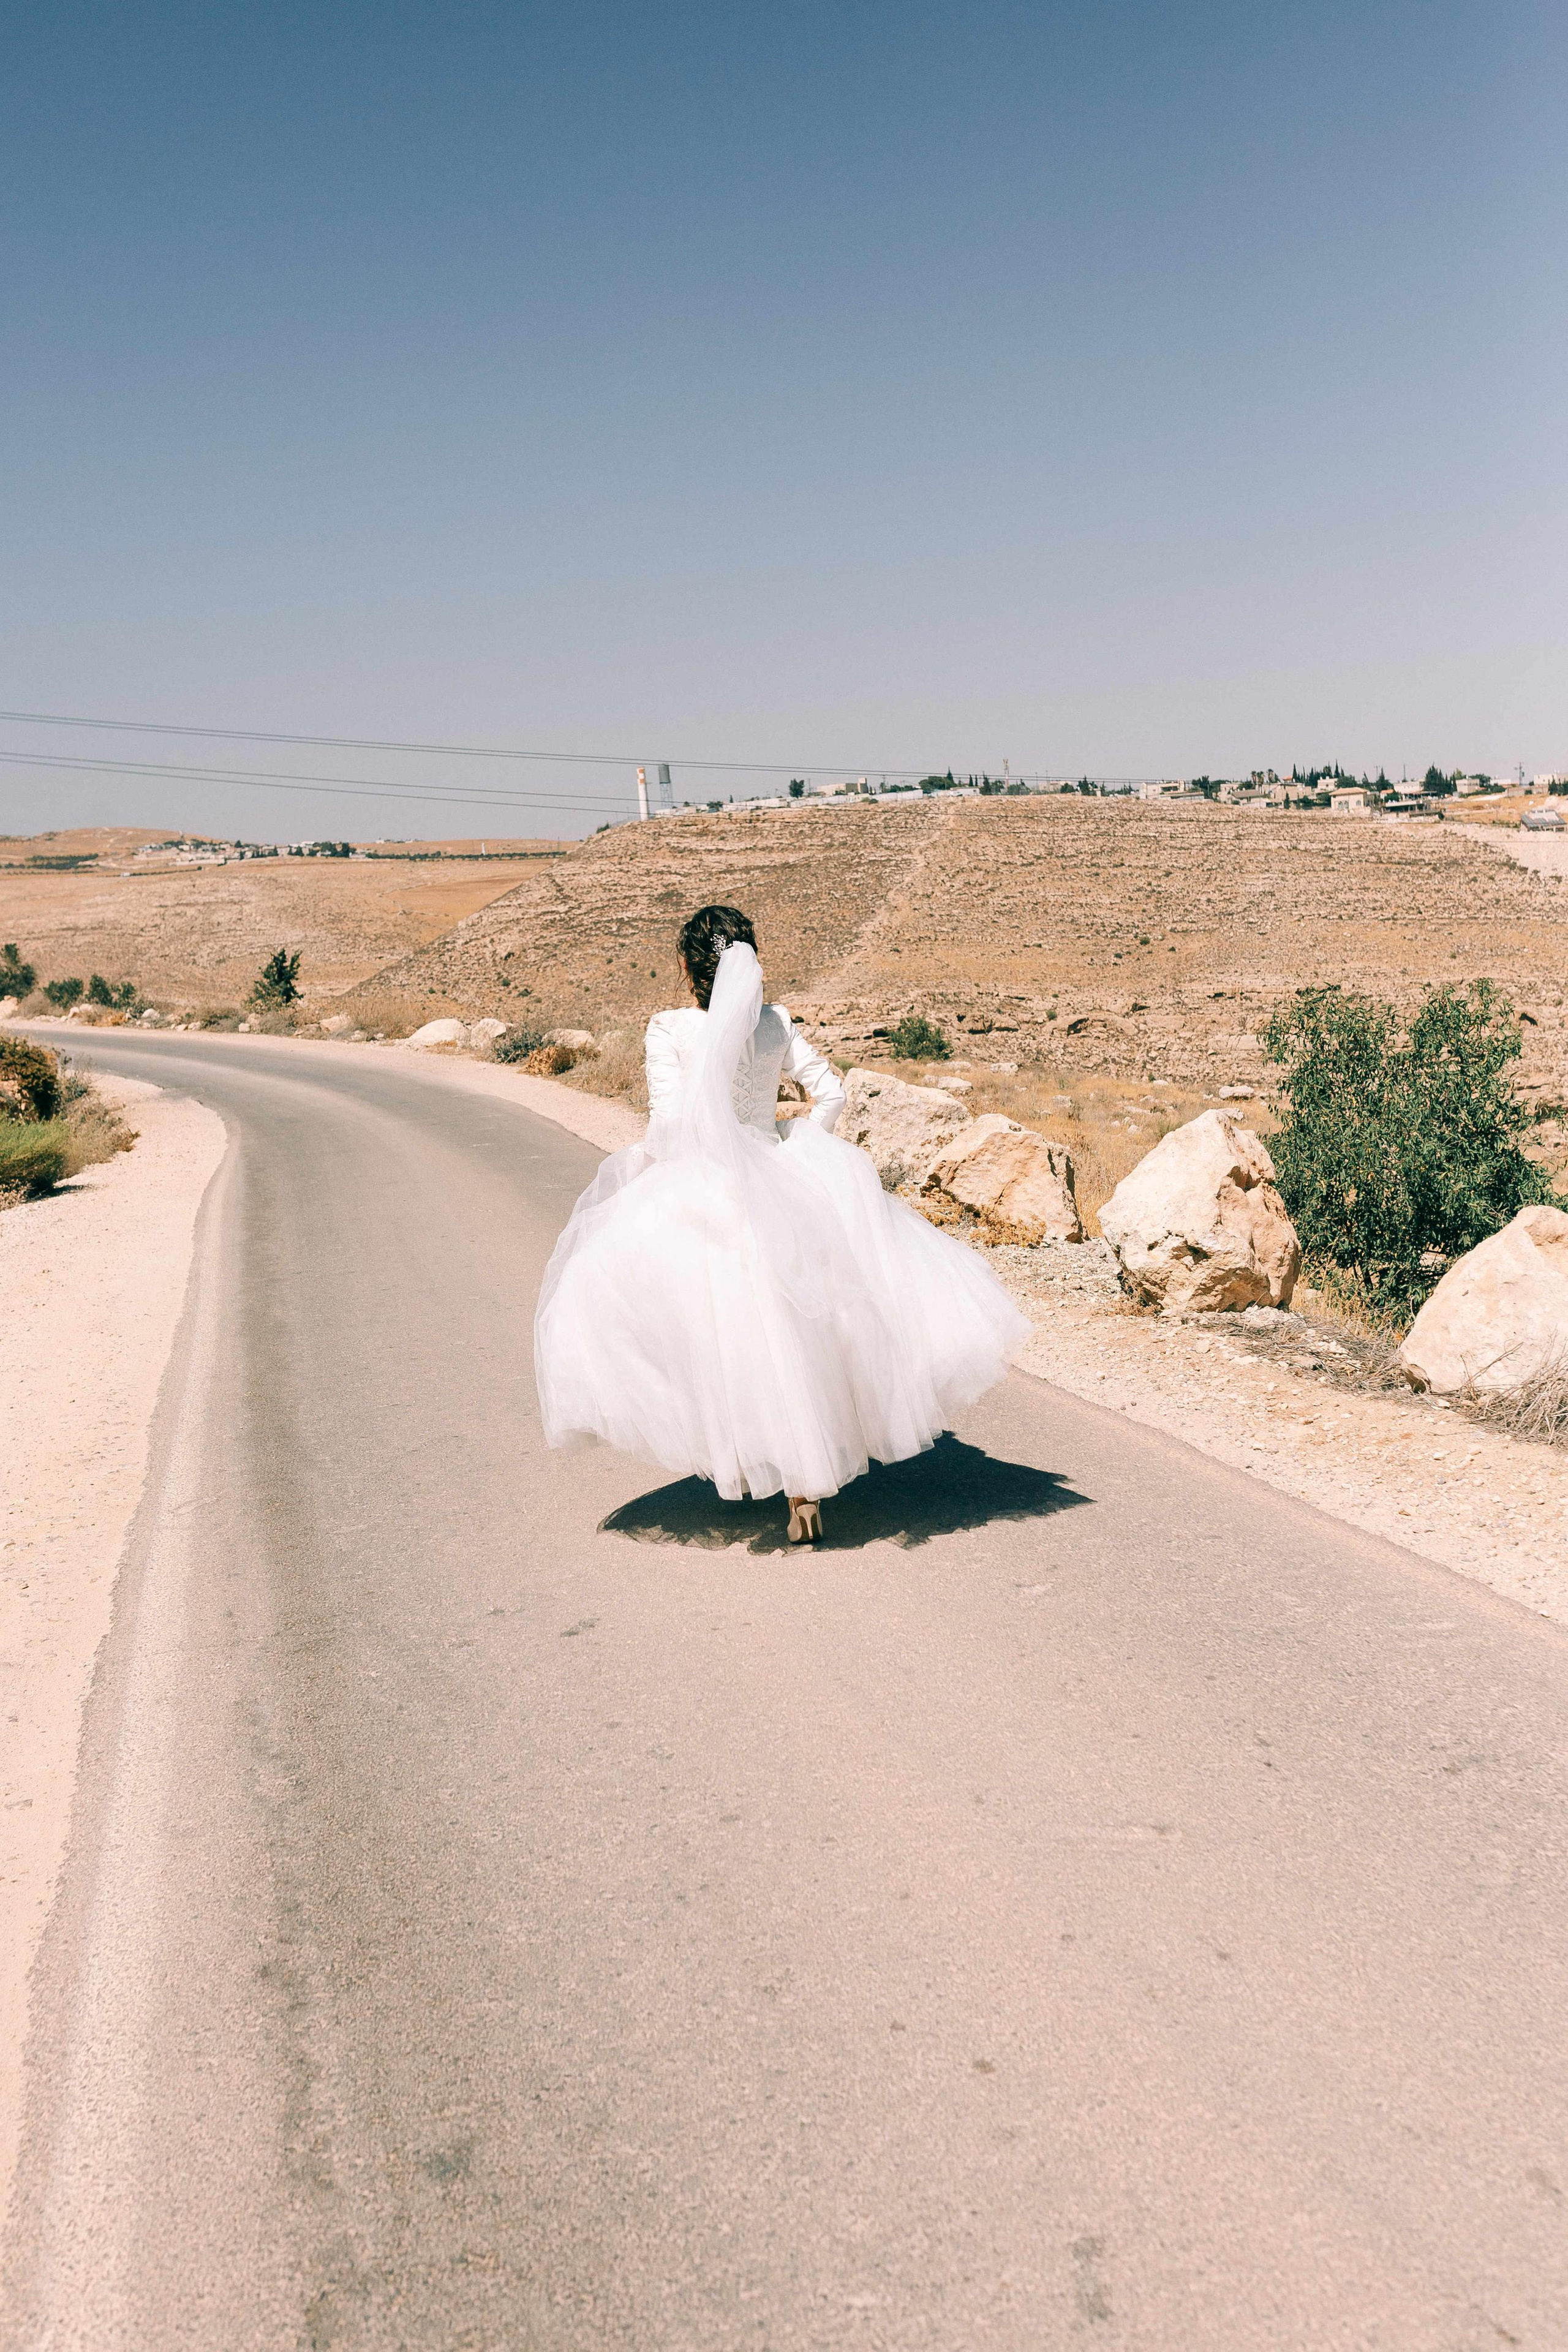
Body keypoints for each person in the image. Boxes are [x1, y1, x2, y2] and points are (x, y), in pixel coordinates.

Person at [533, 904, 1028, 1542]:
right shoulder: (775, 1023)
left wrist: (653, 1177)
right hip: (776, 1171)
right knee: (801, 1328)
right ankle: (803, 1495)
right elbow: (832, 1094)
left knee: (723, 1332)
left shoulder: (669, 1029)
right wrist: (796, 1142)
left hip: (704, 1183)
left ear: (687, 966)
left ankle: (749, 1458)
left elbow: (669, 1124)